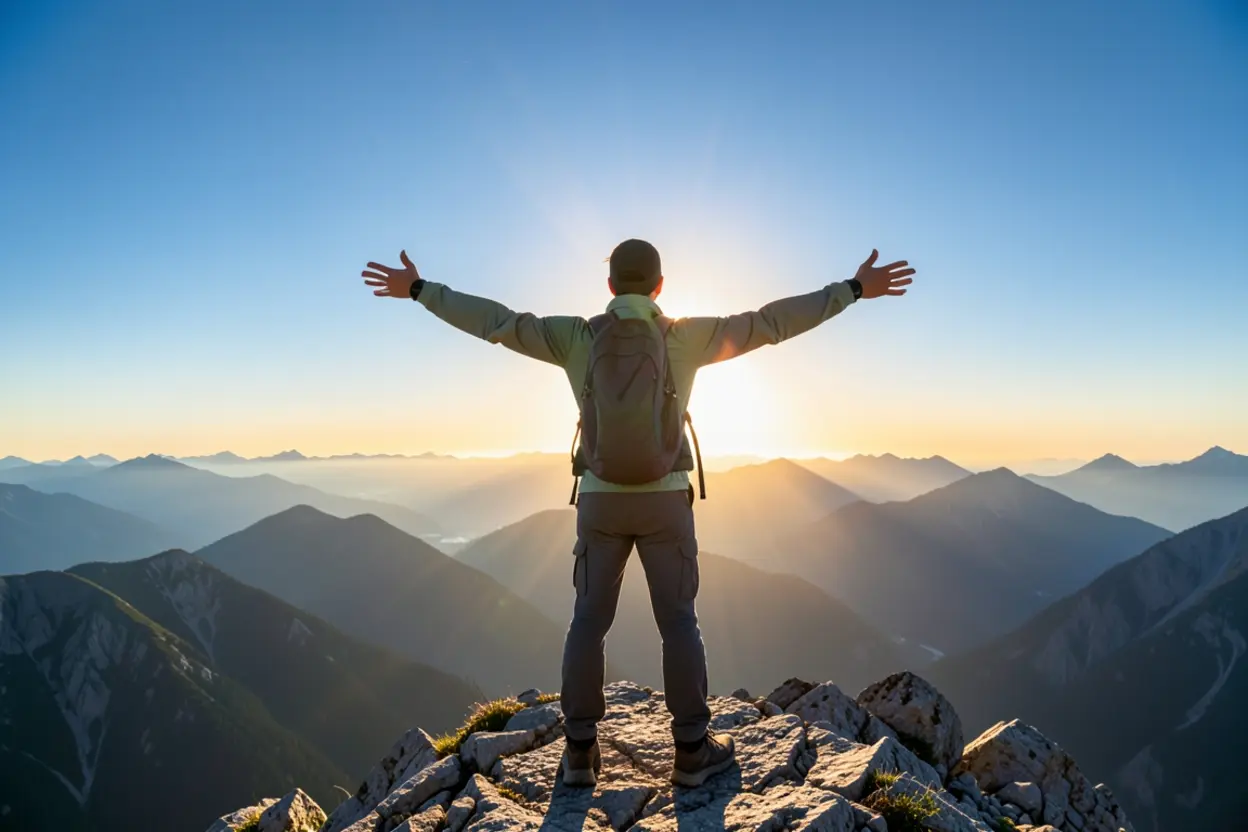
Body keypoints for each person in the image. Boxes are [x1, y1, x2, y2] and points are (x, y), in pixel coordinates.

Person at [360, 239, 915, 788]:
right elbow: (769, 322)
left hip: (599, 500)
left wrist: (419, 290)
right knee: (678, 623)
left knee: (588, 622)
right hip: (665, 501)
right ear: (659, 286)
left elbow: (498, 322)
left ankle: (579, 753)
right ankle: (692, 753)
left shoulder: (575, 336)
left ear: (608, 287)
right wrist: (852, 290)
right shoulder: (684, 336)